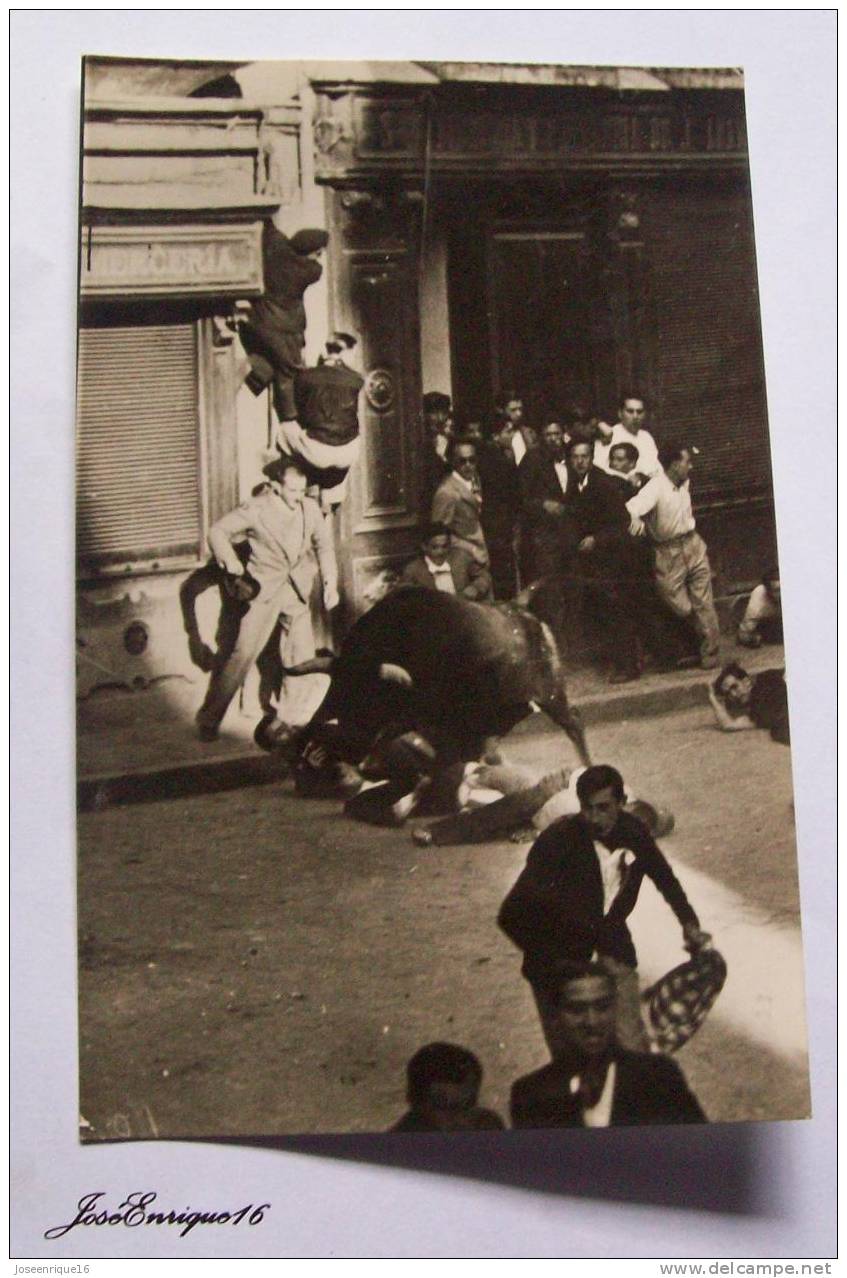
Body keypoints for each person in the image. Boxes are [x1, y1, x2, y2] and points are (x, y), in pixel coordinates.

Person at [498, 764, 710, 1054]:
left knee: (633, 1048)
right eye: (587, 808)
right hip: (554, 959)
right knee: (571, 1058)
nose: (593, 818)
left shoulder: (634, 832)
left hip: (611, 942)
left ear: (622, 804)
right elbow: (511, 914)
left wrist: (690, 924)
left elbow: (664, 878)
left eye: (603, 808)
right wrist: (557, 968)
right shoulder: (557, 841)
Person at [195, 459, 338, 741]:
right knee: (243, 654)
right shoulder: (257, 510)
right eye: (293, 491)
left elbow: (325, 546)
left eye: (302, 490)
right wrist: (232, 564)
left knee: (301, 656)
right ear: (276, 487)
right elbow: (217, 532)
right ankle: (210, 718)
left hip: (295, 590)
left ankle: (289, 718)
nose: (299, 496)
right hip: (263, 591)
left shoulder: (309, 508)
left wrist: (329, 583)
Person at [510, 964, 706, 1128]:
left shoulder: (658, 1078)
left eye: (602, 1007)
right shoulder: (531, 1096)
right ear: (554, 1017)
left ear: (615, 1010)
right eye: (576, 1010)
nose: (592, 1022)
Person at [625, 442, 722, 670]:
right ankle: (696, 642)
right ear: (675, 464)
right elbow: (630, 507)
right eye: (687, 461)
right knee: (681, 605)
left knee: (704, 601)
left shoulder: (684, 482)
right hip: (668, 551)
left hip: (693, 543)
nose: (691, 466)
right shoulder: (655, 487)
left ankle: (710, 653)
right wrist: (636, 518)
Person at [567, 438, 642, 683]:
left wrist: (596, 540)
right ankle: (615, 660)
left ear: (592, 458)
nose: (580, 461)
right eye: (575, 457)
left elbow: (620, 524)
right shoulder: (574, 483)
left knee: (617, 610)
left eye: (585, 456)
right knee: (602, 611)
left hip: (613, 558)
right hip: (592, 562)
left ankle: (629, 666)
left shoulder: (603, 484)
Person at [239, 224, 329, 421]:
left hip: (256, 323)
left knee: (268, 365)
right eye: (319, 253)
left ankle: (245, 388)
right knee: (289, 373)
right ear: (315, 252)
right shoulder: (311, 270)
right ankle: (290, 422)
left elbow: (271, 232)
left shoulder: (276, 251)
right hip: (285, 329)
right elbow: (314, 265)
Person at [275, 332, 364, 508]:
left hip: (317, 452)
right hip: (348, 453)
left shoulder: (305, 376)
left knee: (285, 430)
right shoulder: (356, 379)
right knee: (346, 444)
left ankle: (302, 483)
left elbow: (298, 412)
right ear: (345, 352)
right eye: (353, 353)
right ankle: (331, 496)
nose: (354, 358)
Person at [518, 419, 579, 646]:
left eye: (557, 433)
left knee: (572, 589)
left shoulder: (573, 458)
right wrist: (543, 505)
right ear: (541, 437)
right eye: (548, 434)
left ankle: (571, 644)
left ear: (564, 434)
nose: (553, 438)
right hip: (543, 537)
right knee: (548, 592)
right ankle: (551, 644)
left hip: (569, 536)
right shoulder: (532, 460)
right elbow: (520, 498)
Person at [391, 1042, 504, 1132]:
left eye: (467, 1105)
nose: (458, 1119)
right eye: (443, 1105)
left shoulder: (484, 1127)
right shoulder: (393, 1149)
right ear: (415, 1101)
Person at [431, 438, 493, 597]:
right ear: (452, 461)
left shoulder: (474, 480)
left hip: (481, 559)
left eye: (472, 460)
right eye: (462, 461)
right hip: (463, 565)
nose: (468, 465)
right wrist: (469, 549)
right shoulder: (447, 492)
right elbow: (438, 534)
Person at [476, 417, 521, 599]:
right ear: (496, 436)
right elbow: (513, 493)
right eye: (508, 432)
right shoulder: (500, 460)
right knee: (503, 570)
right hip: (499, 522)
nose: (511, 436)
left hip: (492, 521)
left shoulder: (485, 456)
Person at [398, 522, 492, 600]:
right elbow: (405, 597)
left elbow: (484, 576)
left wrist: (475, 588)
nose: (440, 552)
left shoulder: (462, 558)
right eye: (435, 547)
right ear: (424, 547)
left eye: (445, 546)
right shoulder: (412, 570)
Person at [709, 662, 790, 744]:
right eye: (728, 693)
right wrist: (712, 698)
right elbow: (729, 724)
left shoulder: (766, 678)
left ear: (746, 682)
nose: (733, 694)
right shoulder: (756, 711)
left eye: (734, 687)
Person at [593, 392, 661, 480]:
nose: (635, 416)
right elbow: (600, 469)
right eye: (630, 411)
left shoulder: (647, 437)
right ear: (620, 414)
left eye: (639, 412)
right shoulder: (609, 436)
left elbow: (656, 467)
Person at [421, 391, 453, 507]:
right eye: (434, 413)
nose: (440, 418)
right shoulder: (419, 444)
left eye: (444, 412)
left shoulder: (450, 442)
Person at [737, 569, 783, 648]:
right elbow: (744, 632)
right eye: (776, 590)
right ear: (768, 590)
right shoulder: (758, 602)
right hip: (770, 625)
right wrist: (752, 639)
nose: (780, 594)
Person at [496, 392, 537, 466]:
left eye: (520, 409)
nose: (519, 413)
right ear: (501, 410)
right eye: (513, 410)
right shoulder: (496, 437)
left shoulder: (530, 433)